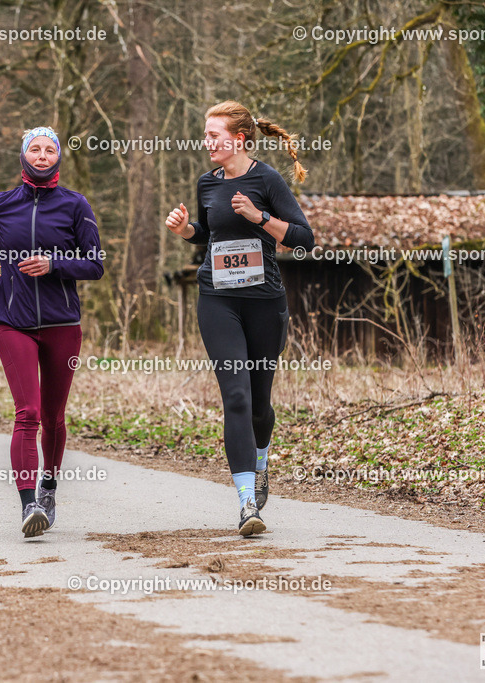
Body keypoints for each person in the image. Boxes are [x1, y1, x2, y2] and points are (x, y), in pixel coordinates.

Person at [164, 101, 314, 536]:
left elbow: (303, 239)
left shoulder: (266, 179)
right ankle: (248, 504)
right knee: (236, 397)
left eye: (215, 135)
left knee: (260, 405)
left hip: (264, 301)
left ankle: (262, 459)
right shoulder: (206, 184)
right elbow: (211, 235)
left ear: (240, 139)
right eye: (206, 135)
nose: (207, 142)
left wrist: (260, 218)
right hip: (218, 299)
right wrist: (186, 231)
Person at [0, 126, 104, 538]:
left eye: (49, 150)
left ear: (58, 157)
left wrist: (55, 263)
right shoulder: (1, 204)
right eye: (35, 149)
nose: (42, 156)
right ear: (23, 156)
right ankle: (28, 506)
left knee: (54, 417)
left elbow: (94, 264)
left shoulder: (75, 205)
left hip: (63, 325)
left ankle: (49, 489)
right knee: (28, 413)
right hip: (13, 322)